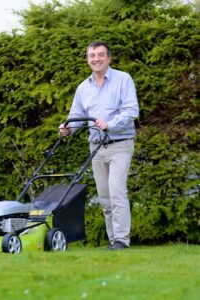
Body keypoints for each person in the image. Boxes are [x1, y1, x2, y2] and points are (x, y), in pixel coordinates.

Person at [59, 41, 139, 250]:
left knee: (116, 191)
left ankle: (122, 239)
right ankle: (114, 240)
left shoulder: (123, 79)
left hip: (119, 144)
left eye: (100, 55)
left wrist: (109, 124)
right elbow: (76, 116)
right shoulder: (83, 88)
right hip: (96, 148)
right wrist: (67, 128)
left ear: (108, 58)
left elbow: (131, 111)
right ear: (88, 59)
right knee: (104, 197)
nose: (96, 59)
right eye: (92, 55)